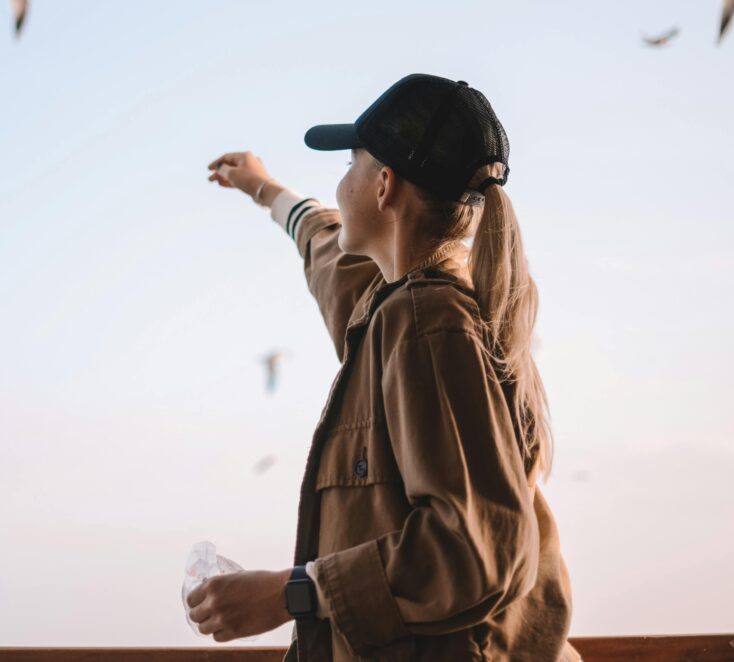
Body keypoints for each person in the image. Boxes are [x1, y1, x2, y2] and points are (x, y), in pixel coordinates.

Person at [187, 73, 581, 661]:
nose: (340, 184)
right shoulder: (394, 307)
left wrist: (291, 593)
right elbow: (326, 252)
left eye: (350, 164)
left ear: (384, 185)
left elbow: (475, 552)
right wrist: (263, 188)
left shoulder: (427, 324)